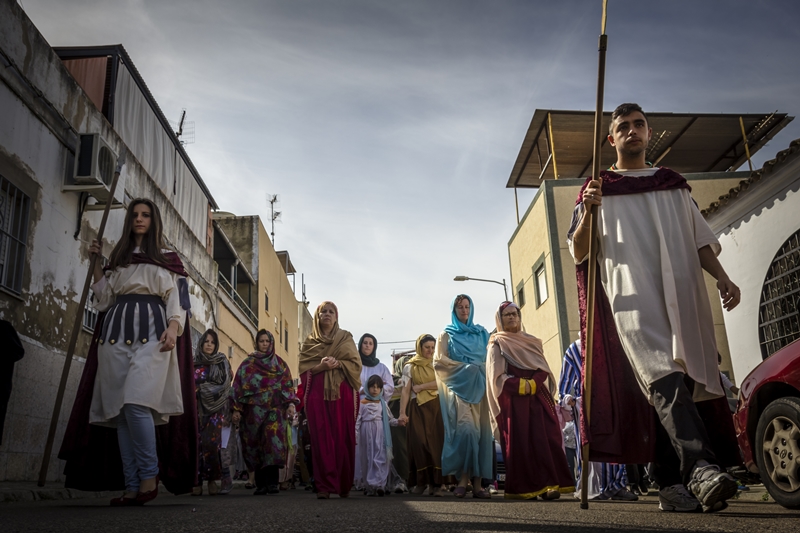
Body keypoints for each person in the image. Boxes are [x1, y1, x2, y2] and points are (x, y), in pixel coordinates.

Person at [567, 103, 742, 512]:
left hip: (681, 291)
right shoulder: (598, 189)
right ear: (611, 139)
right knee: (662, 374)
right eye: (623, 126)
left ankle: (669, 482)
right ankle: (701, 467)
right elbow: (579, 250)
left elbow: (699, 239)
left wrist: (723, 277)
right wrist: (589, 212)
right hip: (632, 297)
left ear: (649, 132)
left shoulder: (674, 185)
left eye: (639, 124)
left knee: (681, 381)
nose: (632, 131)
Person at [58, 198, 197, 505]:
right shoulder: (118, 260)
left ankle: (149, 477)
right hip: (115, 339)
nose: (139, 219)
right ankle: (131, 485)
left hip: (154, 337)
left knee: (136, 403)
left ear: (154, 220)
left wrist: (174, 328)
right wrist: (96, 263)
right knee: (120, 413)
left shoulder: (171, 260)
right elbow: (105, 300)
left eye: (145, 214)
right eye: (135, 214)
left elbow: (184, 300)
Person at [487, 301, 574, 500]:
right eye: (507, 315)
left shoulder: (532, 341)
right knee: (521, 443)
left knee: (546, 440)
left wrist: (533, 384)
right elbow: (497, 377)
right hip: (514, 404)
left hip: (538, 399)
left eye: (514, 314)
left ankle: (551, 485)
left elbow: (542, 367)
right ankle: (525, 488)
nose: (512, 317)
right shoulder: (497, 344)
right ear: (500, 319)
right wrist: (523, 386)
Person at [558, 340, 638, 501]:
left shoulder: (612, 342)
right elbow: (565, 383)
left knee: (614, 442)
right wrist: (568, 399)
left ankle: (617, 486)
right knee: (590, 445)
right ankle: (592, 486)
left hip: (612, 401)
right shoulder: (575, 349)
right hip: (585, 405)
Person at [298, 301, 361, 499]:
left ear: (336, 316)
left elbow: (355, 364)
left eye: (331, 311)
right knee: (321, 438)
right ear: (317, 317)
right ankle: (324, 486)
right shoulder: (309, 342)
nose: (327, 314)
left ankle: (343, 485)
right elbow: (304, 370)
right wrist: (322, 367)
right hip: (318, 395)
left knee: (342, 436)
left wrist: (339, 363)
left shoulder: (346, 338)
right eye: (323, 311)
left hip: (342, 395)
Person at [434, 295, 493, 499]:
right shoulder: (446, 335)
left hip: (482, 390)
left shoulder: (483, 333)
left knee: (482, 436)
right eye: (460, 307)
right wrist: (467, 369)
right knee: (467, 433)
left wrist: (481, 369)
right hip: (460, 390)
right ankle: (463, 479)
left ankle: (478, 485)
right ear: (454, 310)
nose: (464, 310)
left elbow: (491, 360)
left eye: (467, 306)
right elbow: (439, 363)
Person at [230, 329, 299, 495]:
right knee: (255, 444)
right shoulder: (247, 364)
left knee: (273, 443)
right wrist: (236, 410)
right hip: (253, 413)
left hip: (275, 411)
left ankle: (273, 483)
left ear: (272, 342)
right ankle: (260, 484)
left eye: (267, 341)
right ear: (257, 343)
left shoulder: (280, 364)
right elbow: (237, 387)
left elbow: (288, 386)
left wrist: (290, 404)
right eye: (261, 341)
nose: (264, 344)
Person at [398, 334, 449, 497]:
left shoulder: (437, 364)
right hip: (417, 407)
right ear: (420, 347)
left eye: (433, 347)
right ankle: (421, 482)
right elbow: (406, 391)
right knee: (419, 444)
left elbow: (442, 383)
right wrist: (402, 413)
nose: (430, 350)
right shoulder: (410, 366)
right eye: (427, 347)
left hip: (436, 407)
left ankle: (437, 484)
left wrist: (421, 386)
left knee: (436, 445)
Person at [193, 329, 232, 496]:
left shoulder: (221, 361)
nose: (209, 345)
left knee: (211, 444)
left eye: (212, 342)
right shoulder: (193, 362)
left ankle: (211, 480)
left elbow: (225, 385)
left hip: (215, 410)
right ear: (201, 343)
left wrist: (202, 389)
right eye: (206, 341)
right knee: (196, 445)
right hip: (196, 409)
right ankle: (196, 482)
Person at [355, 375, 405, 496]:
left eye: (378, 387)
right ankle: (370, 485)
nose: (375, 390)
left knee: (380, 457)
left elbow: (389, 419)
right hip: (366, 433)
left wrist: (398, 421)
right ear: (367, 388)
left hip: (380, 433)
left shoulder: (383, 404)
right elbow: (357, 421)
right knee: (368, 458)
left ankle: (379, 485)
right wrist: (355, 435)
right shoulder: (361, 404)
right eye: (372, 387)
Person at [357, 334, 394, 401]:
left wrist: (377, 389)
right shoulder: (353, 366)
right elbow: (349, 385)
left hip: (377, 405)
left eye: (371, 343)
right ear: (360, 345)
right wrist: (363, 390)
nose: (367, 345)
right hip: (358, 405)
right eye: (365, 343)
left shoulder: (381, 368)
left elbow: (390, 386)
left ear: (374, 347)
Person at [278, 403, 299, 490]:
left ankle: (286, 480)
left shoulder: (293, 404)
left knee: (290, 460)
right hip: (280, 433)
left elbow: (296, 421)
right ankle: (281, 480)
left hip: (291, 436)